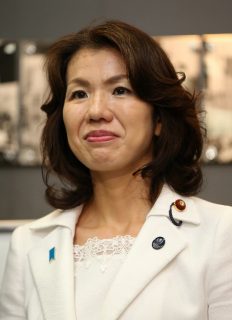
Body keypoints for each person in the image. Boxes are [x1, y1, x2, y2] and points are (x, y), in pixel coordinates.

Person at [0, 20, 232, 320]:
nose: (96, 111)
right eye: (79, 94)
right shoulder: (28, 244)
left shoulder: (220, 234)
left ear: (159, 118)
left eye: (120, 90)